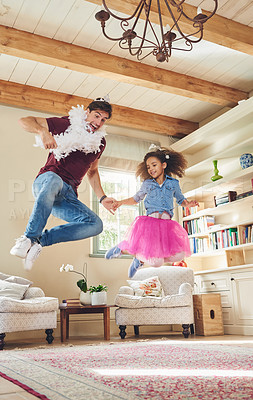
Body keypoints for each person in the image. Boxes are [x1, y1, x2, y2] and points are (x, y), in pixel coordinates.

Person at [10, 98, 116, 270]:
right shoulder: (66, 123)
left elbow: (93, 171)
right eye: (96, 116)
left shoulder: (100, 142)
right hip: (47, 181)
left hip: (67, 196)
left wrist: (102, 197)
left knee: (96, 225)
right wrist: (43, 131)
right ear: (87, 112)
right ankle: (28, 237)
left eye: (103, 119)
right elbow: (24, 120)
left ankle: (38, 242)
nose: (98, 122)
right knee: (54, 179)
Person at [105, 145, 199, 278]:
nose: (151, 169)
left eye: (154, 165)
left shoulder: (173, 183)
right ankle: (123, 250)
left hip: (167, 225)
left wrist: (188, 203)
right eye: (148, 167)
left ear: (164, 165)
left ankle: (141, 258)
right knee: (156, 263)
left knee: (180, 255)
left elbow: (180, 199)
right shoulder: (147, 184)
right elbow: (136, 199)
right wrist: (120, 202)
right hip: (151, 224)